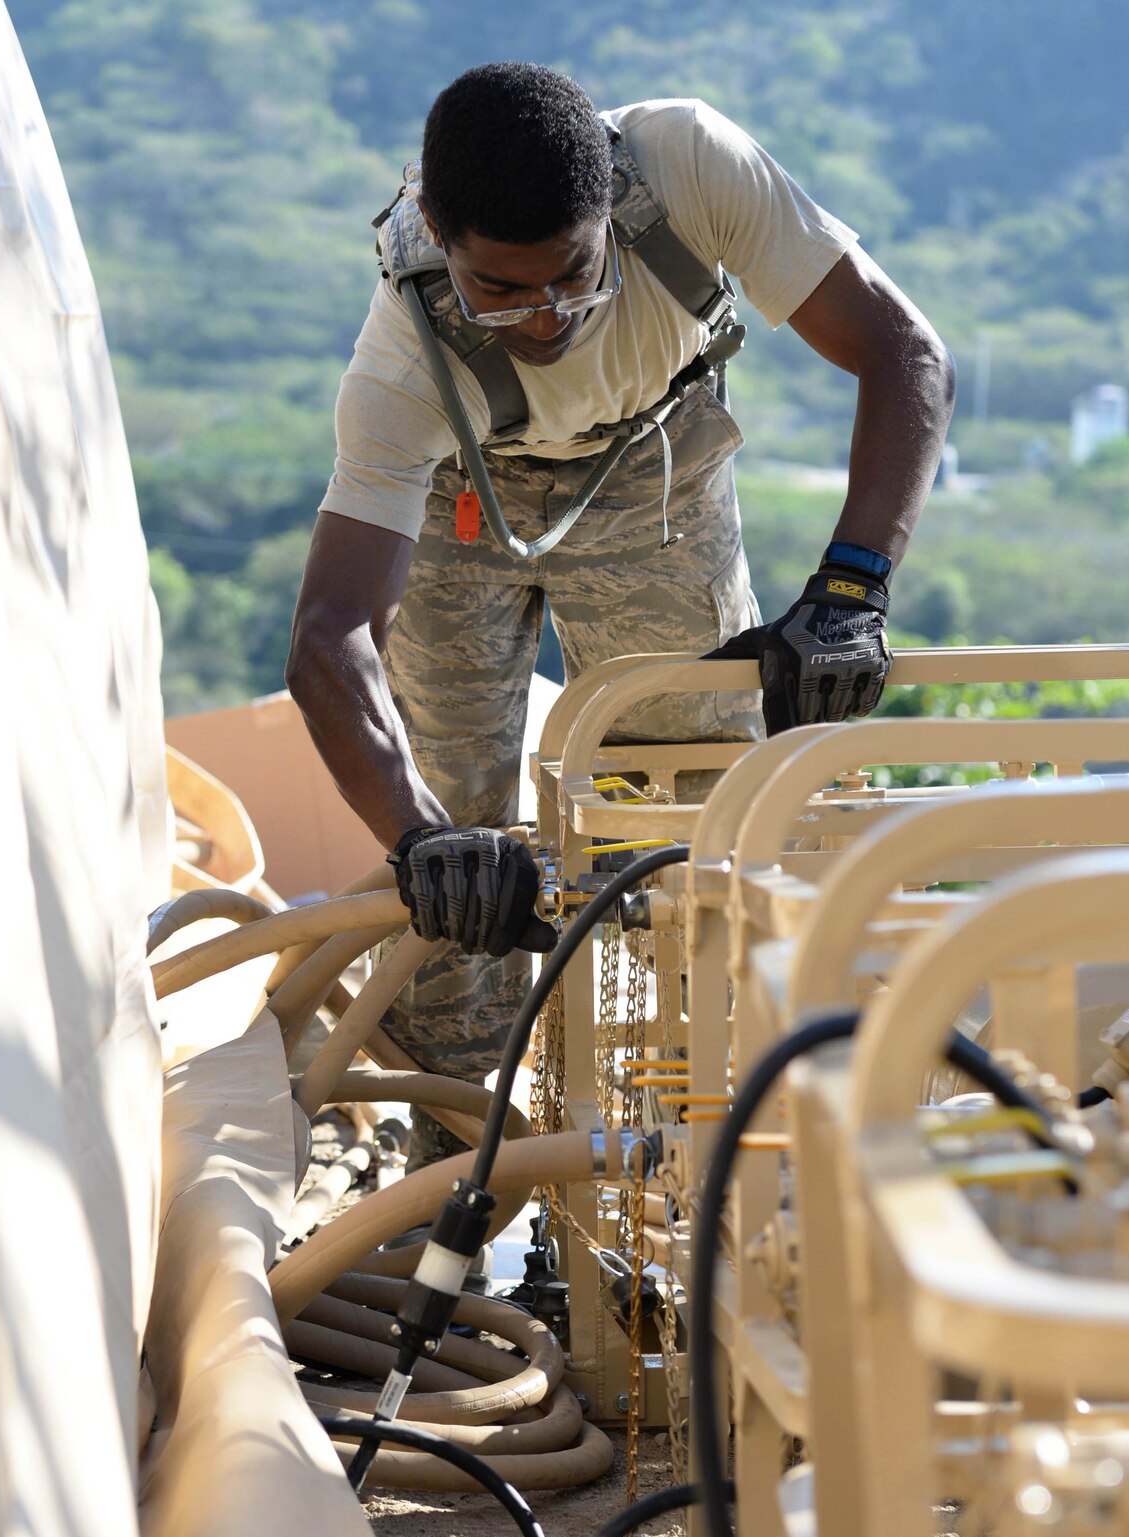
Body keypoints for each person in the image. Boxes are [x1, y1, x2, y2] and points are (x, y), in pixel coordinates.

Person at [286, 61, 955, 1143]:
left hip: (655, 465)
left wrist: (850, 587)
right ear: (437, 234)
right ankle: (462, 1155)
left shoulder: (688, 166)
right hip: (464, 489)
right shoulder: (403, 368)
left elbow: (903, 352)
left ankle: (694, 1135)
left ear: (609, 209)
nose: (543, 316)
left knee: (698, 806)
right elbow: (328, 638)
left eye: (571, 274)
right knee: (458, 855)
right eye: (498, 291)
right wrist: (416, 841)